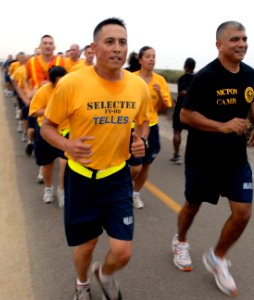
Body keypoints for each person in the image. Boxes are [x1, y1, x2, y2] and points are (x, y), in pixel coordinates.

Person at [41, 17, 150, 300]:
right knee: (87, 245)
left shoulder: (137, 86)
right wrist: (67, 145)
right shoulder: (72, 83)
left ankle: (104, 274)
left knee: (122, 251)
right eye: (110, 41)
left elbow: (143, 122)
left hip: (116, 178)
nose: (117, 48)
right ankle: (81, 285)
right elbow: (47, 127)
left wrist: (141, 140)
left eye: (123, 42)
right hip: (81, 178)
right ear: (95, 47)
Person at [171, 21, 254, 297]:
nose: (242, 44)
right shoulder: (206, 76)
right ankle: (181, 241)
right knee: (193, 204)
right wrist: (220, 126)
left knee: (243, 212)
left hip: (235, 158)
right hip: (203, 157)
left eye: (244, 38)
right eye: (235, 39)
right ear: (219, 44)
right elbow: (185, 116)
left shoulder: (249, 73)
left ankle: (218, 257)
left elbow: (251, 102)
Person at [129, 46, 172, 209]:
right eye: (148, 56)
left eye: (154, 56)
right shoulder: (130, 78)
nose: (151, 59)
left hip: (151, 127)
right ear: (140, 60)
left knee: (145, 164)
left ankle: (135, 194)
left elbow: (164, 108)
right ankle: (123, 188)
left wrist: (160, 93)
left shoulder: (159, 80)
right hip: (131, 128)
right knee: (134, 167)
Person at [29, 66, 68, 206]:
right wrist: (51, 111)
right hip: (46, 132)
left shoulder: (70, 90)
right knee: (47, 165)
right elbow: (33, 111)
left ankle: (62, 191)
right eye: (58, 82)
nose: (61, 85)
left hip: (65, 132)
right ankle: (48, 188)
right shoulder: (43, 92)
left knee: (65, 163)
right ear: (52, 82)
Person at [170, 57, 196, 165]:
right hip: (194, 110)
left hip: (181, 109)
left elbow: (182, 92)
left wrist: (182, 96)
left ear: (185, 66)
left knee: (177, 132)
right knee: (193, 134)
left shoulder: (182, 79)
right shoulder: (198, 78)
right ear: (194, 67)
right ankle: (192, 157)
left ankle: (177, 155)